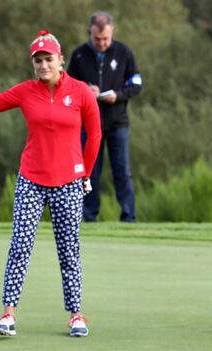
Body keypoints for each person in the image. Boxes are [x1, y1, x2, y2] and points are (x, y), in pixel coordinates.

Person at [0, 30, 101, 337]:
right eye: (37, 60)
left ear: (60, 60)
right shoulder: (26, 91)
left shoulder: (80, 92)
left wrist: (85, 174)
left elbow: (95, 135)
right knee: (20, 246)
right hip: (32, 180)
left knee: (69, 250)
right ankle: (8, 314)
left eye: (48, 59)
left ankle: (76, 315)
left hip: (69, 182)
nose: (42, 65)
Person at [68, 11, 142, 222]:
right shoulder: (79, 55)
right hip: (88, 125)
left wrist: (118, 95)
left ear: (112, 33)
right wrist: (85, 90)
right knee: (89, 172)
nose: (101, 43)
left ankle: (128, 217)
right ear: (89, 34)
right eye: (97, 39)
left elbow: (136, 83)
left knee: (122, 172)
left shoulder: (124, 53)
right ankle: (89, 217)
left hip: (118, 122)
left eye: (105, 39)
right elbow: (68, 85)